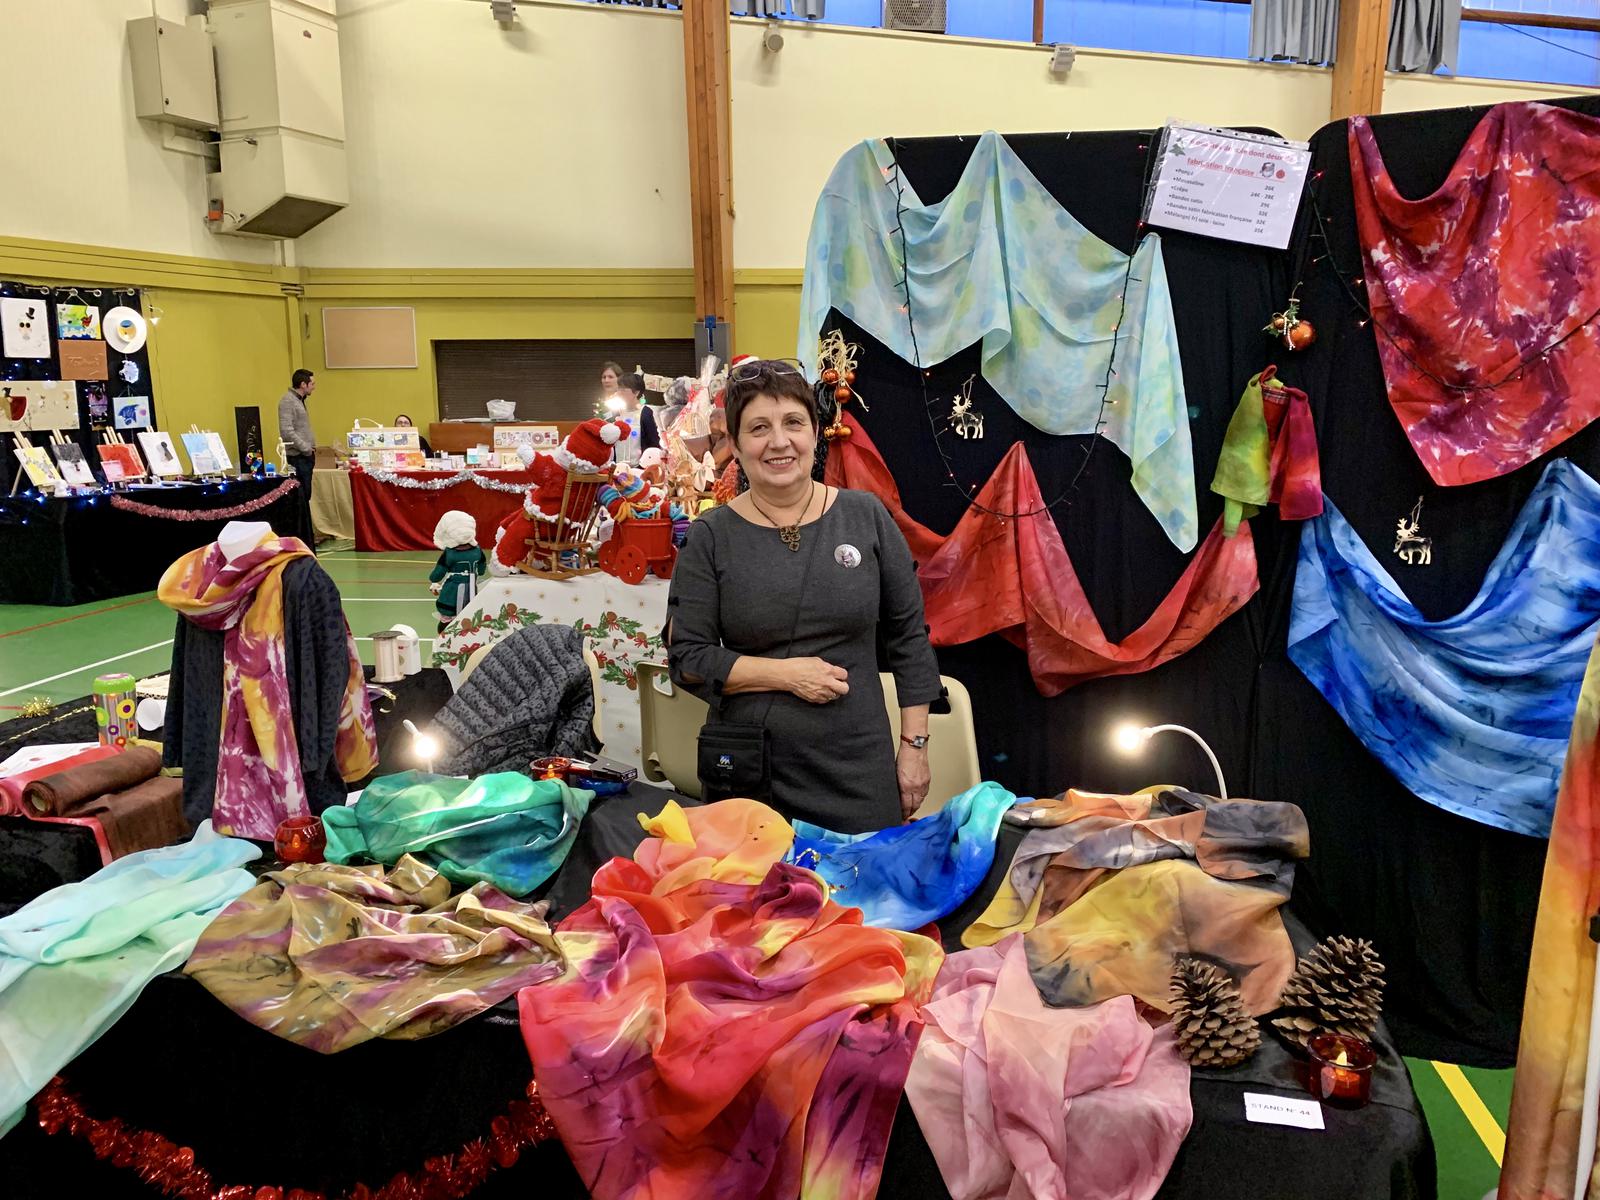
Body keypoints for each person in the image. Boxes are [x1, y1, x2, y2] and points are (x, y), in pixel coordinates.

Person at [666, 359, 942, 832]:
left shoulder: (866, 517)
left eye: (793, 422)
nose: (779, 441)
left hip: (858, 770)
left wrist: (914, 748)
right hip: (750, 775)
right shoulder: (710, 536)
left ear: (815, 432)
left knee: (862, 881)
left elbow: (909, 640)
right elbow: (687, 659)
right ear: (735, 444)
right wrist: (786, 675)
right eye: (759, 428)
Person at [430, 510, 487, 633]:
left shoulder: (449, 553)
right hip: (471, 589)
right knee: (470, 614)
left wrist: (433, 580)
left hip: (452, 592)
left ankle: (444, 638)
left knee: (447, 619)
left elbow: (437, 574)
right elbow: (482, 569)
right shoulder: (477, 551)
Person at [278, 368, 317, 518]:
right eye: (312, 384)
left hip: (305, 457)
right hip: (298, 457)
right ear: (303, 384)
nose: (314, 387)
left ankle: (306, 529)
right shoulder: (288, 401)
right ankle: (301, 530)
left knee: (306, 496)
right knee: (300, 498)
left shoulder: (298, 401)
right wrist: (306, 448)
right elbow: (286, 431)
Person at [607, 372, 660, 467]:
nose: (618, 393)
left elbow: (653, 443)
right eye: (618, 389)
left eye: (623, 390)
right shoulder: (616, 413)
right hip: (617, 467)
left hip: (639, 468)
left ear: (636, 392)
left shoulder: (645, 412)